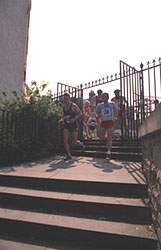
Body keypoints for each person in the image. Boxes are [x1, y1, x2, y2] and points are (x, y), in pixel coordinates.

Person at [60, 92, 84, 161]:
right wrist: (61, 120)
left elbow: (80, 113)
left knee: (74, 142)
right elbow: (63, 116)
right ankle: (69, 155)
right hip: (66, 125)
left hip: (73, 125)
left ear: (69, 99)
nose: (65, 100)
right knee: (65, 140)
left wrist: (74, 119)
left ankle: (80, 144)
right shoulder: (63, 107)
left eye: (66, 99)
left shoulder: (73, 106)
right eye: (64, 99)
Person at [96, 92, 117, 160]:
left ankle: (108, 152)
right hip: (103, 122)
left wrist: (115, 117)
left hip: (110, 121)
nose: (104, 98)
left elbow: (115, 110)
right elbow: (96, 113)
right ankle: (106, 142)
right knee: (102, 137)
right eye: (103, 97)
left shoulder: (112, 104)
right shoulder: (99, 105)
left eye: (105, 97)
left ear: (108, 97)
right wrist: (97, 119)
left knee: (109, 137)